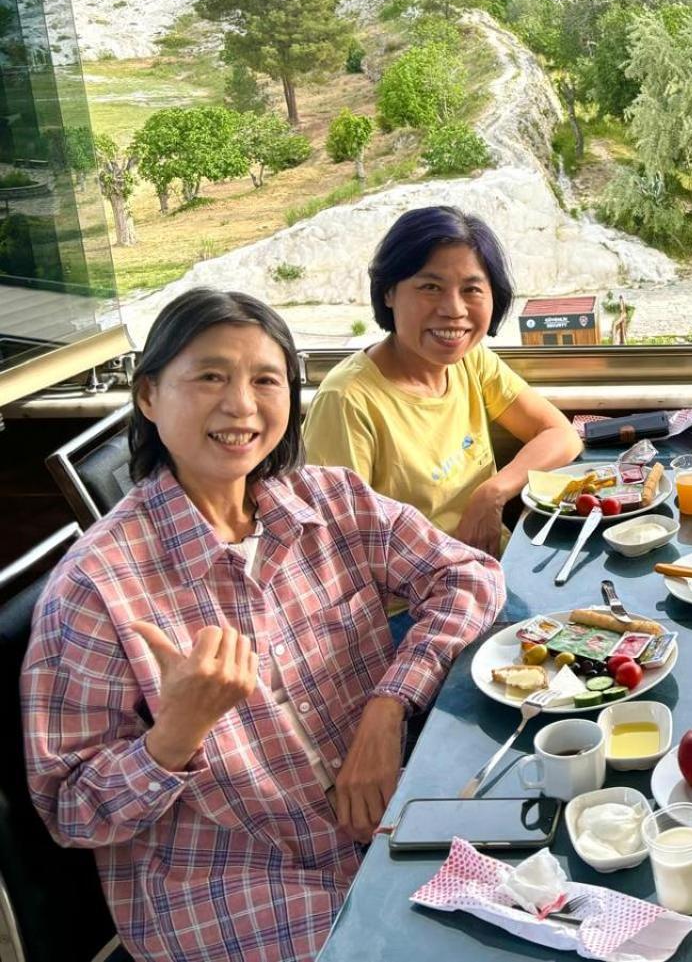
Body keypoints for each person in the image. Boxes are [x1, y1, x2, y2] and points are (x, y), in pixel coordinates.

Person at [22, 289, 505, 962]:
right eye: (211, 376)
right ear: (150, 396)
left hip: (387, 816)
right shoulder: (94, 588)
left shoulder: (329, 500)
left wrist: (387, 706)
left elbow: (470, 575)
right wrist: (176, 734)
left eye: (265, 379)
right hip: (239, 881)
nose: (241, 404)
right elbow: (71, 808)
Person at [304, 205, 581, 554]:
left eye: (471, 289)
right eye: (431, 287)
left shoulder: (470, 361)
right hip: (412, 601)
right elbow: (337, 547)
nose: (454, 309)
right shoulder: (347, 400)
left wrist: (491, 494)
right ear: (389, 292)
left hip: (496, 565)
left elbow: (561, 435)